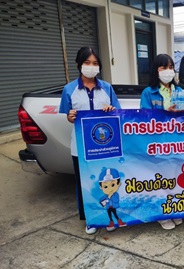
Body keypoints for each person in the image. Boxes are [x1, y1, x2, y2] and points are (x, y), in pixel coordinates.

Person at [59, 47, 121, 234]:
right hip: (80, 147)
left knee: (105, 184)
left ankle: (107, 217)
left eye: (95, 63)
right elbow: (68, 116)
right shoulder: (69, 90)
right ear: (79, 64)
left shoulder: (107, 88)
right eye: (87, 63)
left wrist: (111, 110)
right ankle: (91, 219)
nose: (91, 67)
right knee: (84, 183)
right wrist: (70, 117)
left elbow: (117, 113)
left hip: (104, 147)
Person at [140, 53, 183, 230]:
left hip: (178, 142)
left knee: (175, 178)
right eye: (163, 67)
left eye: (171, 67)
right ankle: (161, 214)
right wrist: (166, 112)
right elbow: (144, 118)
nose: (168, 71)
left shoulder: (179, 91)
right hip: (158, 143)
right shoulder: (148, 92)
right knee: (159, 179)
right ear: (156, 70)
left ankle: (173, 210)